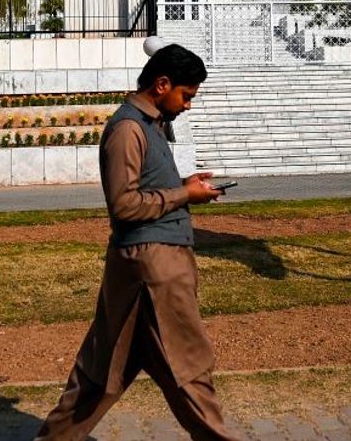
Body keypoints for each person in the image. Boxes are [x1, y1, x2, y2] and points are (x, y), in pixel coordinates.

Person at [35, 44, 240, 440]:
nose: (188, 106)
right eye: (187, 95)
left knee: (100, 376)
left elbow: (145, 191)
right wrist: (184, 196)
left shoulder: (149, 126)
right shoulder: (128, 129)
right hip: (153, 272)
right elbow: (124, 205)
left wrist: (184, 186)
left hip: (144, 268)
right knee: (190, 373)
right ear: (162, 85)